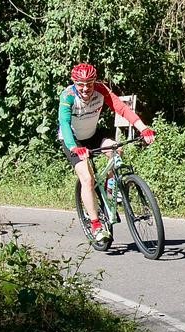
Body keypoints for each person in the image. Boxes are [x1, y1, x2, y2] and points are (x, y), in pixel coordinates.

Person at [58, 63, 156, 239]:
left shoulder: (101, 90)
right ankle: (96, 225)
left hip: (93, 134)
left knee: (117, 151)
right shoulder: (68, 96)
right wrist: (74, 147)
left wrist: (143, 129)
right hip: (72, 139)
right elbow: (64, 123)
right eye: (81, 84)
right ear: (74, 82)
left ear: (95, 81)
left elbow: (122, 109)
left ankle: (110, 188)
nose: (86, 88)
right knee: (87, 179)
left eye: (90, 83)